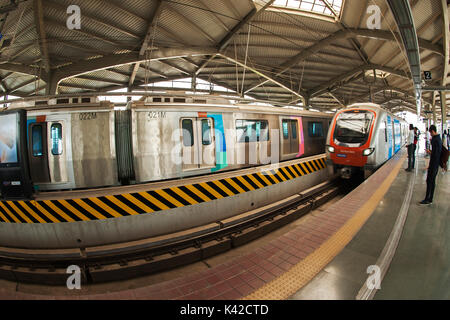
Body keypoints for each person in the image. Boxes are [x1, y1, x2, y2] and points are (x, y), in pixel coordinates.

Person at [420, 125, 442, 205]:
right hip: (434, 164)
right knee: (431, 182)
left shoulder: (436, 140)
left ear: (432, 131)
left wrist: (430, 152)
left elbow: (436, 154)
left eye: (430, 132)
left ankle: (427, 199)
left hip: (434, 164)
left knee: (429, 181)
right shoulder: (438, 139)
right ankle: (430, 199)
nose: (430, 134)